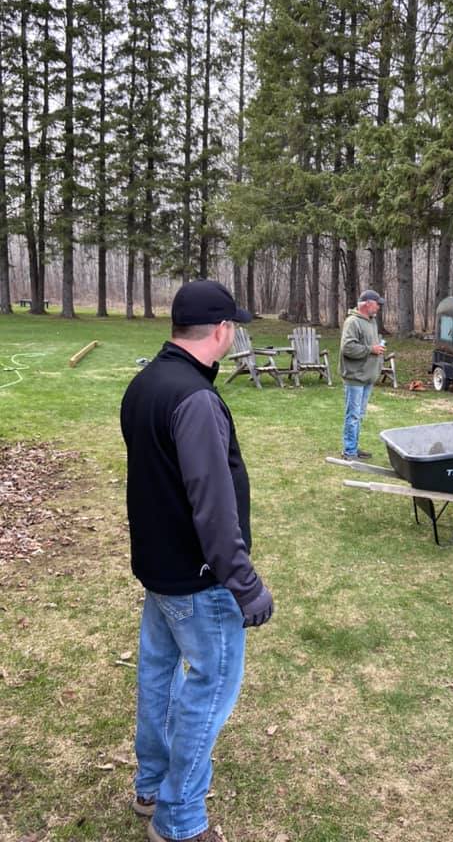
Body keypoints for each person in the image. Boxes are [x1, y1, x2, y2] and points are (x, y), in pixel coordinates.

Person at [120, 279, 274, 842]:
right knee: (206, 691)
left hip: (159, 570)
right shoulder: (194, 399)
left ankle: (151, 784)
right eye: (235, 325)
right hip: (197, 581)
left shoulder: (145, 383)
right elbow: (213, 505)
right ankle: (179, 821)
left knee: (159, 676)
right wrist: (244, 585)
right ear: (221, 331)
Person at [339, 289, 386, 460]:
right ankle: (349, 451)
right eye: (377, 304)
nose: (379, 307)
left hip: (367, 377)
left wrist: (376, 348)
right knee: (352, 415)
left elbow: (370, 345)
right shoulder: (352, 322)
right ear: (367, 303)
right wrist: (370, 349)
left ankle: (353, 447)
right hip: (355, 377)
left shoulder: (371, 321)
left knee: (359, 415)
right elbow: (348, 348)